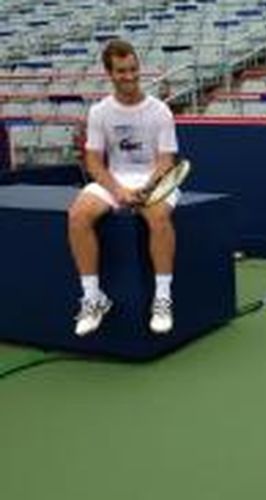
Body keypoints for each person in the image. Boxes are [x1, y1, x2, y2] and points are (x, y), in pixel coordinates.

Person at [67, 38, 179, 336]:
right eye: (121, 71)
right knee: (78, 215)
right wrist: (119, 191)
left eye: (132, 69)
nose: (128, 76)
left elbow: (166, 160)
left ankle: (162, 298)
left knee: (157, 215)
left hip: (155, 179)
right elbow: (93, 162)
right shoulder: (100, 112)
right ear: (110, 73)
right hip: (116, 180)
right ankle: (93, 298)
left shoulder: (160, 111)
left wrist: (147, 189)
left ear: (138, 67)